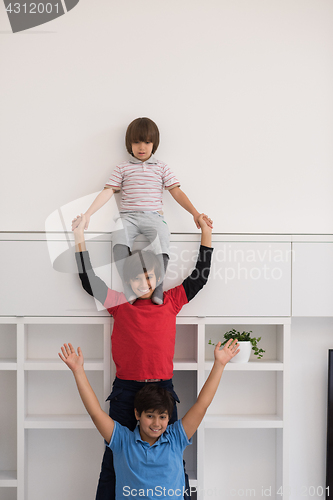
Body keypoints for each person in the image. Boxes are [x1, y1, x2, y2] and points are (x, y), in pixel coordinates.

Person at [73, 212, 213, 500]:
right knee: (113, 460)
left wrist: (206, 234)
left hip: (163, 388)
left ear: (158, 276)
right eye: (136, 278)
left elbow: (199, 278)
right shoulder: (119, 303)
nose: (143, 282)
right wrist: (79, 237)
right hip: (126, 389)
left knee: (174, 455)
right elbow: (90, 281)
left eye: (148, 276)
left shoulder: (172, 300)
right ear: (129, 280)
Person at [58, 338, 240, 499]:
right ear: (137, 414)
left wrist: (219, 364)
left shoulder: (175, 438)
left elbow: (202, 405)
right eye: (150, 416)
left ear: (169, 418)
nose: (156, 423)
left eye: (162, 417)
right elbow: (95, 412)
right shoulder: (123, 441)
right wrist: (78, 371)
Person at [71, 117, 212, 305]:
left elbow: (176, 192)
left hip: (153, 216)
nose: (141, 147)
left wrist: (195, 213)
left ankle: (157, 287)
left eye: (147, 142)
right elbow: (108, 192)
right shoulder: (123, 167)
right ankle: (129, 287)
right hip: (128, 217)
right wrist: (88, 214)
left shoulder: (161, 168)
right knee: (118, 240)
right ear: (129, 144)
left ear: (154, 144)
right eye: (136, 142)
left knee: (162, 239)